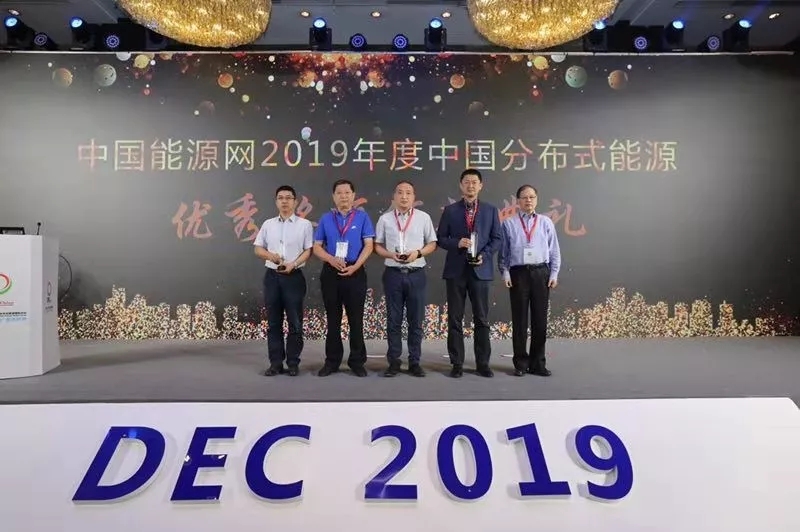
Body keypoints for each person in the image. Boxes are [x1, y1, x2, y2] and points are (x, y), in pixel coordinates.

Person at [436, 168, 503, 378]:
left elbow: (497, 239)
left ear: (480, 185)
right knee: (455, 318)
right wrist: (457, 243)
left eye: (474, 182)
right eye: (467, 182)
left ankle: (482, 363)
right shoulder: (450, 210)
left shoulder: (491, 210)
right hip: (456, 271)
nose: (470, 185)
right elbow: (440, 239)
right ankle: (457, 363)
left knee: (481, 319)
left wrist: (485, 254)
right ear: (461, 185)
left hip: (480, 271)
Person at [374, 180, 438, 377]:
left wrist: (417, 253)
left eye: (408, 193)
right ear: (393, 197)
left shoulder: (423, 218)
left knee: (415, 320)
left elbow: (432, 243)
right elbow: (377, 246)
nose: (404, 196)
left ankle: (414, 362)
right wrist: (390, 255)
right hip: (393, 274)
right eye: (400, 192)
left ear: (413, 197)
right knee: (393, 320)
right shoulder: (385, 219)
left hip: (416, 273)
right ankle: (394, 362)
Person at [312, 179, 375, 377]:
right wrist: (331, 259)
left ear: (353, 195)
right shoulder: (326, 218)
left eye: (347, 192)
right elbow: (316, 247)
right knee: (333, 319)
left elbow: (369, 245)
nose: (344, 196)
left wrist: (356, 266)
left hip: (355, 271)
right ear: (334, 196)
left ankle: (357, 361)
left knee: (356, 319)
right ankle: (332, 361)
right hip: (331, 272)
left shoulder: (362, 217)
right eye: (339, 193)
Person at [498, 185, 561, 377]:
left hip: (541, 272)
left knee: (540, 320)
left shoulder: (546, 222)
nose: (528, 200)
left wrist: (554, 273)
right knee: (519, 320)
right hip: (518, 273)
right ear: (518, 201)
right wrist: (505, 273)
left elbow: (554, 250)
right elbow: (503, 253)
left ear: (537, 199)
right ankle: (520, 363)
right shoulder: (508, 223)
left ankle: (538, 363)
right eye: (524, 197)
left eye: (532, 197)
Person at [253, 185, 314, 377]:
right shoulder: (268, 224)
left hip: (294, 276)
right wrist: (270, 256)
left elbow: (308, 251)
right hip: (272, 277)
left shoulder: (304, 225)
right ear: (276, 202)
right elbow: (257, 248)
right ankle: (276, 363)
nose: (285, 201)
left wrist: (293, 264)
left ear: (295, 202)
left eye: (288, 198)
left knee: (295, 322)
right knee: (273, 322)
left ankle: (293, 363)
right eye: (281, 198)